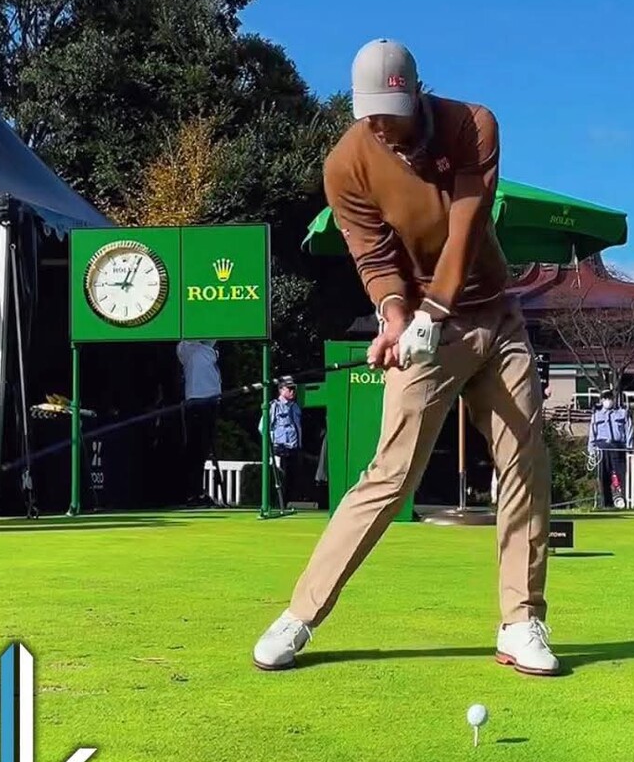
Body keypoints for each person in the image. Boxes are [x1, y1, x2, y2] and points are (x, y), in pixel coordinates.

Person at [253, 39, 557, 675]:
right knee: (390, 475)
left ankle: (520, 621)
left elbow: (468, 222)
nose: (381, 127)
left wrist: (433, 311)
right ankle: (300, 615)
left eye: (390, 113)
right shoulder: (347, 164)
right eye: (369, 114)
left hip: (493, 317)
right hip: (422, 331)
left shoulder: (472, 125)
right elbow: (374, 258)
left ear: (417, 94)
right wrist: (394, 318)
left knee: (524, 461)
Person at [176, 339, 222, 507]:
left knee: (202, 450)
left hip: (211, 401)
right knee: (195, 449)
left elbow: (212, 337)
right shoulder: (186, 347)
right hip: (197, 401)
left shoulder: (208, 348)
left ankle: (197, 492)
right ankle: (191, 493)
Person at [588, 389, 633, 508]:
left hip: (618, 447)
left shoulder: (622, 413)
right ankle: (606, 504)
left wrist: (629, 447)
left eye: (610, 398)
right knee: (604, 476)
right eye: (605, 398)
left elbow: (629, 430)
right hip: (602, 447)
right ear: (601, 400)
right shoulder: (596, 415)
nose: (608, 400)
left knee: (622, 475)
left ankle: (625, 500)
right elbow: (592, 433)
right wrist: (591, 450)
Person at [264, 379, 302, 504]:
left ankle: (287, 502)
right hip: (279, 447)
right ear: (281, 390)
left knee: (292, 477)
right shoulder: (274, 406)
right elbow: (263, 427)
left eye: (293, 389)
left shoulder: (295, 406)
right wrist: (271, 443)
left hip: (293, 447)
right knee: (279, 476)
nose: (292, 392)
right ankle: (277, 502)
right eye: (289, 389)